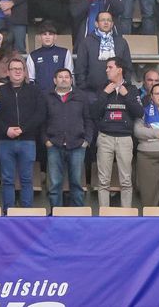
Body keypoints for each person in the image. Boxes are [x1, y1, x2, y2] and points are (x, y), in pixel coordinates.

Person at [0, 54, 46, 213]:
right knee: (7, 180)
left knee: (27, 179)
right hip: (5, 141)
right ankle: (8, 212)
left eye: (20, 69)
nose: (17, 72)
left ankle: (26, 212)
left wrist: (24, 129)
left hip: (27, 140)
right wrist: (6, 130)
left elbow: (40, 114)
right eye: (13, 69)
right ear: (7, 72)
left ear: (25, 72)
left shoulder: (35, 91)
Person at [87, 56, 141, 209]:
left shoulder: (131, 89)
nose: (106, 70)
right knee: (103, 181)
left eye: (110, 67)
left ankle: (126, 216)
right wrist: (105, 93)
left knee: (126, 181)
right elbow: (94, 112)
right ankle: (104, 213)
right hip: (105, 137)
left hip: (125, 138)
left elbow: (139, 112)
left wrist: (126, 95)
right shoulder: (102, 88)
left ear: (119, 70)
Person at [44, 67, 93, 210]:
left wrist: (87, 140)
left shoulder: (81, 96)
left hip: (77, 145)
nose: (64, 79)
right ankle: (54, 216)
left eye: (67, 77)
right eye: (60, 77)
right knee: (54, 184)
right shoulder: (47, 96)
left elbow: (88, 119)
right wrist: (46, 140)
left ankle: (77, 216)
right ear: (54, 80)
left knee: (77, 183)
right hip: (54, 145)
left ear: (71, 80)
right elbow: (42, 121)